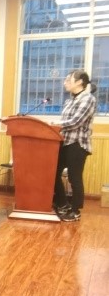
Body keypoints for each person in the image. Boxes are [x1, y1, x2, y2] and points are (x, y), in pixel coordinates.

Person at [51, 69, 97, 222]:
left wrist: (55, 124)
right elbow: (65, 122)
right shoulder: (69, 100)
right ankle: (62, 204)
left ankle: (75, 210)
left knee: (74, 177)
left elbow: (76, 122)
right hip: (65, 142)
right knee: (53, 173)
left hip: (78, 144)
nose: (65, 83)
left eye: (68, 80)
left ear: (79, 82)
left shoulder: (88, 99)